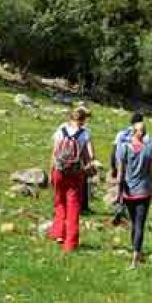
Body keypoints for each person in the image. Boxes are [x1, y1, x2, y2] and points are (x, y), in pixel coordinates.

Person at [115, 112, 152, 268]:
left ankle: (135, 251)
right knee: (140, 224)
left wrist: (118, 192)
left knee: (134, 223)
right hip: (144, 191)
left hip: (129, 191)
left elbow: (120, 173)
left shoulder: (124, 148)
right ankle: (136, 256)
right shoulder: (149, 150)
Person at [49, 108, 92, 252]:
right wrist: (89, 168)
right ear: (83, 119)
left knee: (59, 201)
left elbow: (54, 152)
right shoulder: (84, 134)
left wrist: (51, 171)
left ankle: (58, 233)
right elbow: (88, 156)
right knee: (73, 207)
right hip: (75, 174)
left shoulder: (61, 130)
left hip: (59, 171)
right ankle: (70, 243)